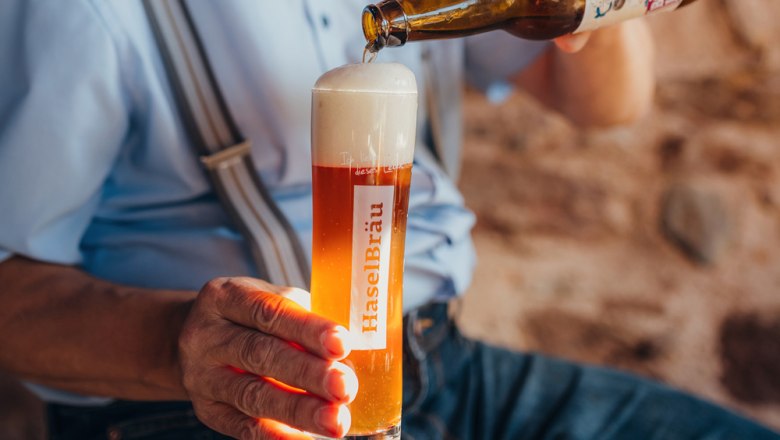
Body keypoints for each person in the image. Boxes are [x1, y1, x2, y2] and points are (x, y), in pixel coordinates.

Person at [0, 1, 777, 439]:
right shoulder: (77, 12)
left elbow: (609, 105)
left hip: (446, 365)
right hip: (209, 412)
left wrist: (595, 14)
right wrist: (183, 348)